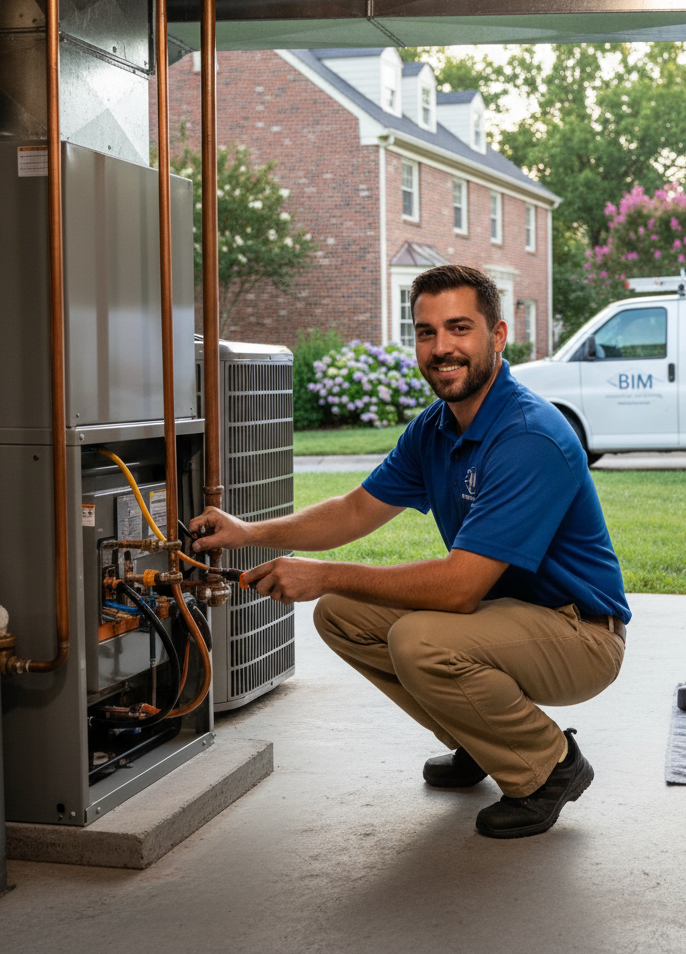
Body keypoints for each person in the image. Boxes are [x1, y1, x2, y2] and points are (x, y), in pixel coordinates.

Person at [190, 265, 630, 838]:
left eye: (459, 328)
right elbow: (355, 509)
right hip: (504, 618)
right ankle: (484, 740)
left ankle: (549, 768)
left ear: (497, 336)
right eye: (426, 332)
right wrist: (249, 533)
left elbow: (459, 586)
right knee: (342, 615)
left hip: (580, 634)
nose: (441, 348)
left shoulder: (529, 436)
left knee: (417, 640)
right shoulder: (436, 428)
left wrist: (325, 574)